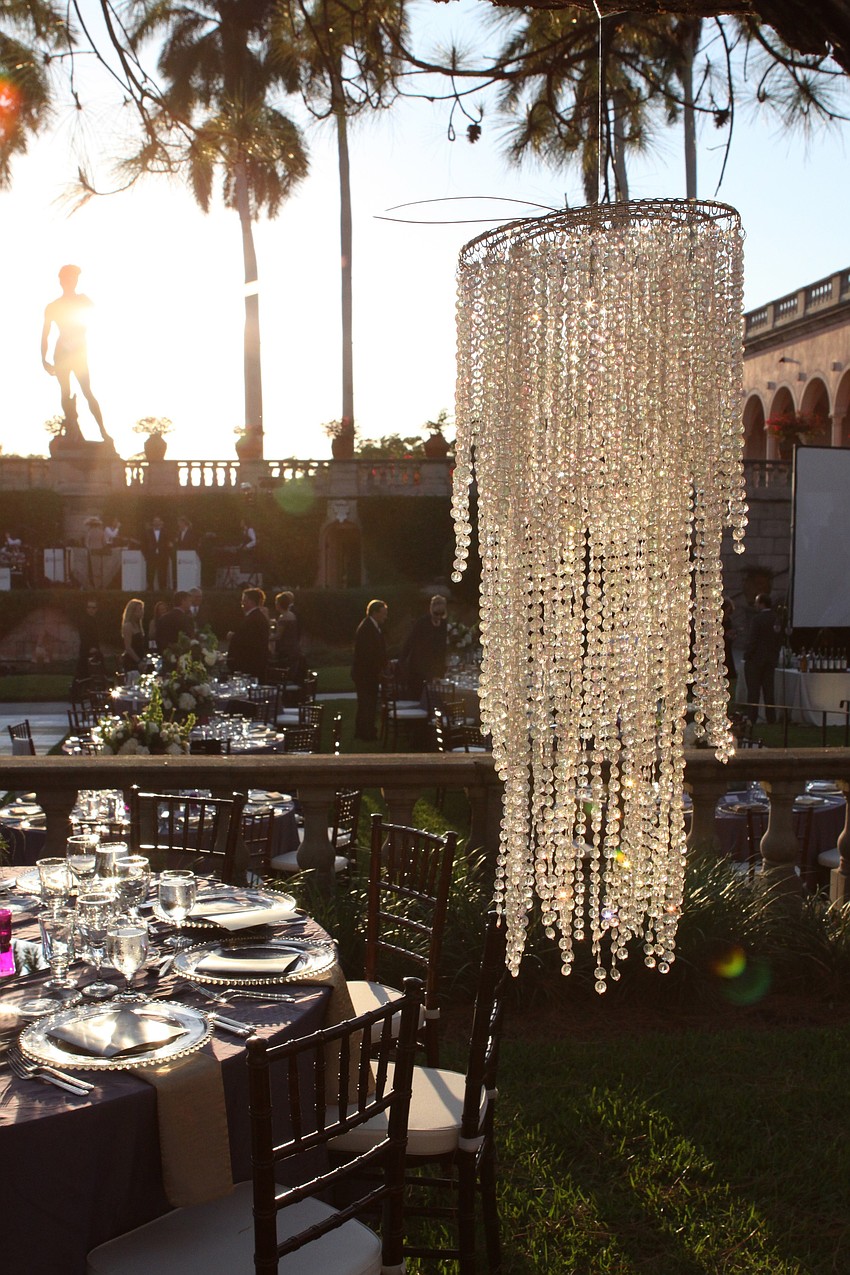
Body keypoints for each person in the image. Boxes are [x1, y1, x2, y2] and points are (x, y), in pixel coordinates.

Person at [41, 264, 110, 443]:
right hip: (63, 353)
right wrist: (44, 360)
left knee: (87, 391)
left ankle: (103, 431)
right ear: (62, 281)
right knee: (66, 392)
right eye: (70, 278)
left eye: (75, 278)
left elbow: (96, 318)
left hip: (78, 352)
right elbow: (45, 334)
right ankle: (73, 429)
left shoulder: (82, 300)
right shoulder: (53, 306)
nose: (73, 281)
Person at [352, 599, 388, 741]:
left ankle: (363, 731)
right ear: (375, 613)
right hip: (365, 673)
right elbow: (369, 653)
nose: (385, 616)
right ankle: (366, 733)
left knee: (366, 703)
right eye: (383, 613)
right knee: (367, 703)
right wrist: (380, 666)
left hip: (366, 673)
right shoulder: (368, 628)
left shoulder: (372, 626)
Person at [744, 594, 783, 725]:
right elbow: (779, 639)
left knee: (754, 691)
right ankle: (771, 717)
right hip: (770, 659)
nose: (755, 605)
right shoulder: (776, 619)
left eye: (756, 603)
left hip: (756, 659)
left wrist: (748, 654)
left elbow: (753, 639)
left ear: (761, 603)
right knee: (769, 690)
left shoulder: (757, 619)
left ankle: (752, 717)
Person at [400, 595, 448, 698]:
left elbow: (442, 648)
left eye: (442, 613)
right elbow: (410, 642)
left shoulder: (443, 624)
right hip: (419, 666)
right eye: (436, 613)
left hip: (434, 666)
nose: (439, 616)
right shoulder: (422, 623)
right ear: (431, 610)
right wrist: (402, 660)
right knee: (419, 695)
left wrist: (440, 669)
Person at [227, 587, 270, 679]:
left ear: (251, 602)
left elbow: (249, 639)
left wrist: (233, 636)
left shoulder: (254, 618)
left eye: (244, 600)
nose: (242, 603)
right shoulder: (254, 617)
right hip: (251, 662)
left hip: (250, 663)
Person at [272, 591, 306, 681]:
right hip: (294, 648)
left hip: (286, 650)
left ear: (279, 604)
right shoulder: (292, 615)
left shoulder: (283, 617)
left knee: (285, 674)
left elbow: (278, 635)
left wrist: (265, 637)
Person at [75, 597, 103, 679]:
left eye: (93, 608)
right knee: (83, 672)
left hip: (94, 650)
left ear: (96, 609)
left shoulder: (94, 620)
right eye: (89, 607)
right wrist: (90, 648)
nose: (91, 610)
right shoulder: (84, 620)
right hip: (86, 650)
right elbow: (84, 636)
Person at [143, 516, 171, 591]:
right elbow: (143, 545)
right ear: (153, 522)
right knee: (150, 571)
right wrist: (146, 555)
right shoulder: (147, 532)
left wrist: (166, 554)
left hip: (162, 556)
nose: (156, 522)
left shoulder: (165, 532)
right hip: (151, 556)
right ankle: (150, 587)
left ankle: (162, 587)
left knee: (162, 572)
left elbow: (168, 544)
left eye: (158, 521)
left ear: (160, 522)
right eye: (155, 521)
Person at [121, 598, 148, 674]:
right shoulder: (128, 626)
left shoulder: (138, 625)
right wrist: (138, 661)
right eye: (139, 609)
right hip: (132, 661)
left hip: (140, 657)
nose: (142, 612)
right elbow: (128, 647)